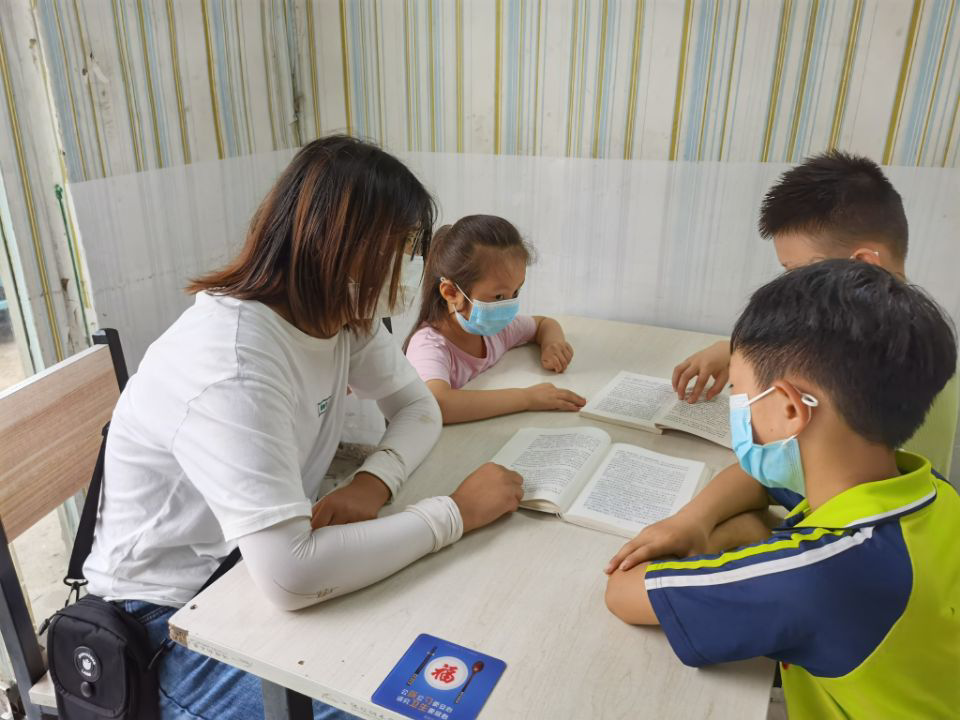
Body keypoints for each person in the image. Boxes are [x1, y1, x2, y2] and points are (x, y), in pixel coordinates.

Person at [83, 137, 524, 720]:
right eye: (400, 248)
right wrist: (455, 514)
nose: (410, 270)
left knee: (451, 643)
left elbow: (419, 409)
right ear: (338, 248)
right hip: (163, 626)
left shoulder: (337, 316)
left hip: (251, 571)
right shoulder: (234, 361)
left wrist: (375, 481)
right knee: (405, 705)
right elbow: (292, 574)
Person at [605, 260, 960, 719]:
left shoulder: (817, 577)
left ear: (790, 408)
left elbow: (624, 592)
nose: (736, 408)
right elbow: (764, 487)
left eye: (738, 391)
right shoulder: (932, 492)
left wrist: (722, 537)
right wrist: (696, 522)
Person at [672, 151, 959, 476]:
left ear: (862, 266)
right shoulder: (887, 334)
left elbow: (795, 475)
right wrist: (735, 350)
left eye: (799, 272)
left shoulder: (888, 374)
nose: (791, 286)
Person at [404, 214, 585, 424]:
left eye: (515, 292)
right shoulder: (429, 345)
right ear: (451, 292)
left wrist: (553, 344)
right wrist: (527, 398)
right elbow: (437, 405)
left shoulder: (496, 329)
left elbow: (544, 324)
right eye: (498, 296)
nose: (508, 306)